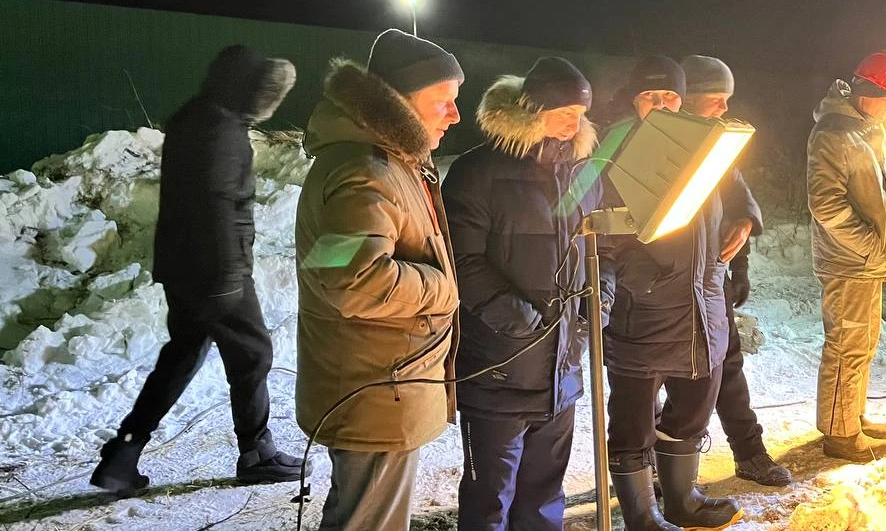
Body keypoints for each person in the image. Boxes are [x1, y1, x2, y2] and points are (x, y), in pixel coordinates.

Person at [91, 45, 304, 496]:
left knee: (183, 356)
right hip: (216, 269)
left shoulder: (197, 118)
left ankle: (123, 453)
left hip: (186, 265)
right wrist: (227, 279)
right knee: (253, 354)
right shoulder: (221, 130)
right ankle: (256, 452)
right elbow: (218, 205)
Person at [294, 29, 463, 530]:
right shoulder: (364, 171)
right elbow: (351, 280)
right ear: (399, 104)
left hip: (382, 381)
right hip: (376, 388)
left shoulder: (390, 162)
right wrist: (444, 288)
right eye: (443, 101)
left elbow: (337, 269)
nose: (455, 115)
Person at [441, 57, 603, 530]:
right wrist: (513, 316)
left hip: (562, 372)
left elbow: (605, 248)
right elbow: (460, 259)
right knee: (489, 501)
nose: (574, 123)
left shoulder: (585, 171)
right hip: (499, 369)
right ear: (533, 108)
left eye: (580, 113)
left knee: (544, 497)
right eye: (564, 111)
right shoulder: (478, 171)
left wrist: (599, 301)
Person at [599, 56, 742, 531]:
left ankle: (683, 500)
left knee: (694, 407)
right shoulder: (613, 152)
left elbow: (734, 194)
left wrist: (743, 220)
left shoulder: (703, 147)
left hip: (701, 308)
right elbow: (597, 233)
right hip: (643, 314)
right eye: (650, 96)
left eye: (671, 96)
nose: (661, 104)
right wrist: (640, 277)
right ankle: (641, 516)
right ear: (633, 100)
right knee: (633, 421)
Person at [680, 55, 791, 487]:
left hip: (711, 277)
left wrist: (739, 262)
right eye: (716, 99)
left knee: (727, 362)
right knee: (658, 377)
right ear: (688, 99)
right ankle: (654, 467)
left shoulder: (717, 145)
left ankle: (750, 452)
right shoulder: (656, 146)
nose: (725, 108)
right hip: (663, 284)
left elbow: (738, 203)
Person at [807, 50, 886, 464]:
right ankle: (839, 434)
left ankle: (851, 416)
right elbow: (825, 204)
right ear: (869, 93)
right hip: (849, 262)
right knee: (846, 345)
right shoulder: (833, 134)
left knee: (863, 344)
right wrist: (870, 245)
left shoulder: (867, 128)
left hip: (866, 261)